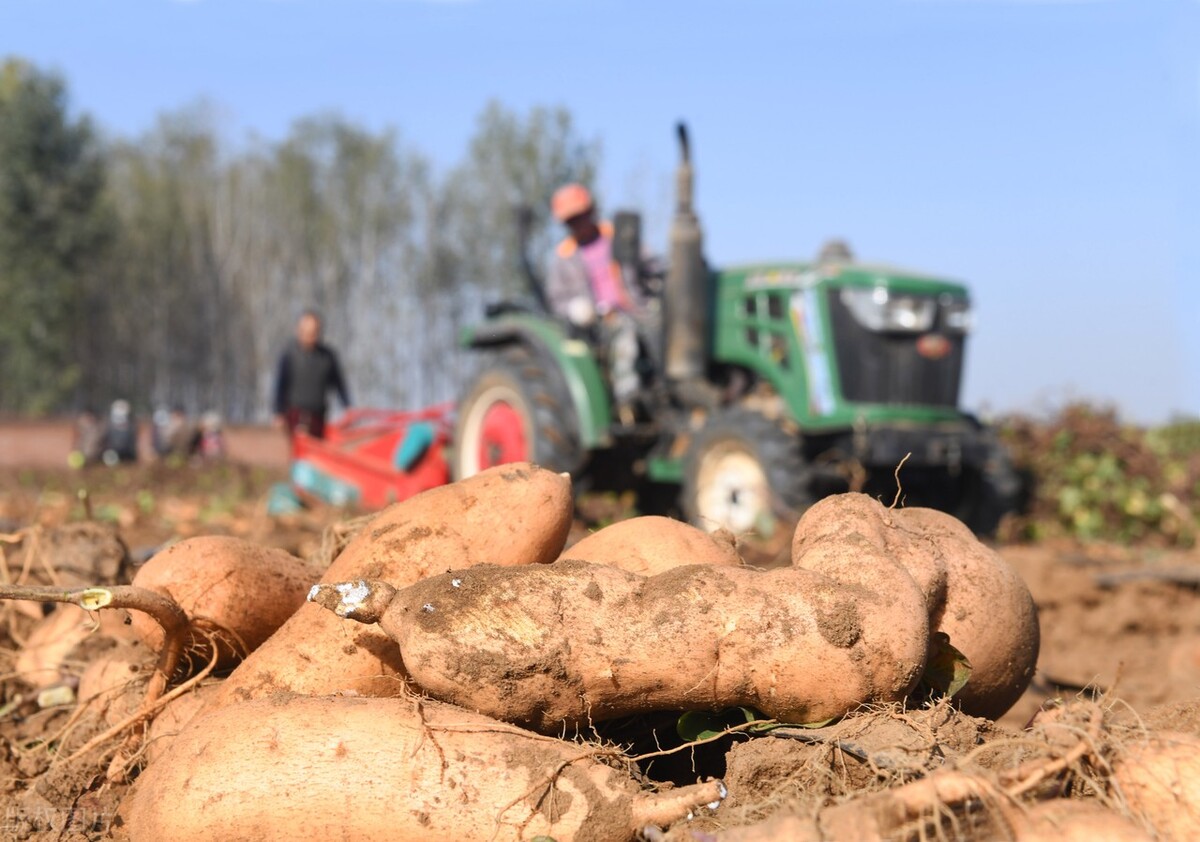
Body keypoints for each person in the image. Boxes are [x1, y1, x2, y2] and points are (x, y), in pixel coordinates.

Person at [545, 184, 648, 424]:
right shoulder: (563, 257)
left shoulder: (618, 237)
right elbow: (555, 300)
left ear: (591, 211)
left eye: (580, 216)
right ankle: (628, 399)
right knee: (623, 331)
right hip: (595, 324)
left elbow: (651, 265)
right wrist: (574, 308)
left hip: (637, 310)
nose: (577, 224)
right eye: (571, 221)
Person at [272, 311, 351, 441]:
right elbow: (280, 385)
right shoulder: (289, 355)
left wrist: (347, 408)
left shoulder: (327, 357)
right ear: (299, 331)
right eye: (306, 333)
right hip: (295, 416)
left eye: (313, 333)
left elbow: (339, 385)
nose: (309, 337)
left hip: (319, 417)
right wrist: (278, 413)